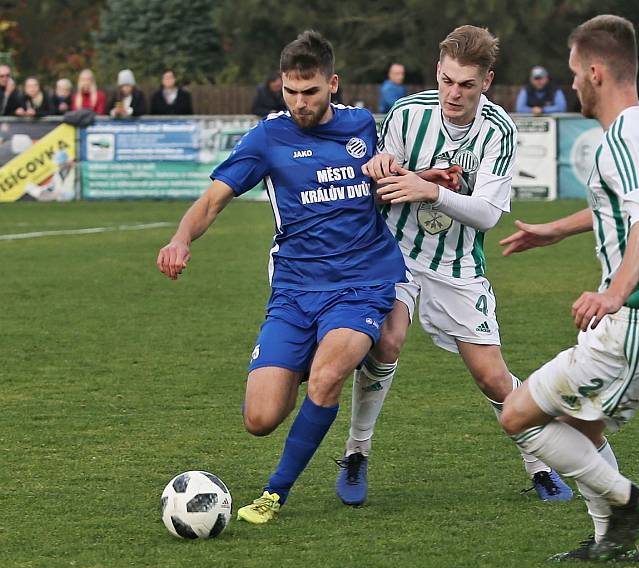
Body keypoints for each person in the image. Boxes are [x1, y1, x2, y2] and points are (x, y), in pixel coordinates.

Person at [156, 30, 407, 526]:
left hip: (362, 282)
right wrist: (181, 239)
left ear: (332, 84)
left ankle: (275, 493)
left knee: (328, 376)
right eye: (290, 92)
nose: (299, 103)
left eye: (310, 92)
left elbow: (399, 173)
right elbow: (212, 200)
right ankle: (320, 355)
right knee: (261, 419)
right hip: (294, 290)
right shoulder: (269, 137)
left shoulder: (365, 126)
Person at [333, 25, 572, 507]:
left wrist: (431, 192)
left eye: (466, 84)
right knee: (387, 340)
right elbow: (382, 182)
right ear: (437, 72)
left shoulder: (499, 129)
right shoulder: (407, 113)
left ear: (487, 80)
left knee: (492, 377)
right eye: (446, 80)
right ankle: (356, 452)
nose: (453, 93)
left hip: (458, 263)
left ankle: (539, 463)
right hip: (395, 252)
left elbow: (487, 213)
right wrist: (389, 170)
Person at [499, 14, 639, 562]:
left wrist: (614, 293)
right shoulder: (638, 127)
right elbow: (619, 207)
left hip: (635, 321)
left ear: (594, 71)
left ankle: (628, 501)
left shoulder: (623, 142)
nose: (570, 85)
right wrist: (555, 231)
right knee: (578, 424)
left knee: (518, 417)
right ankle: (613, 541)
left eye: (572, 73)